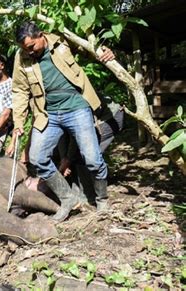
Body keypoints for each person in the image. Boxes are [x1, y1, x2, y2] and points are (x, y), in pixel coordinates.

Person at [11, 21, 116, 222]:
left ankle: (102, 199)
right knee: (37, 157)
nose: (30, 52)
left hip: (77, 108)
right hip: (48, 114)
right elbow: (20, 91)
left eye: (32, 46)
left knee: (93, 159)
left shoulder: (62, 40)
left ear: (41, 35)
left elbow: (90, 47)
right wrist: (18, 123)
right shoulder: (21, 57)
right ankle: (68, 199)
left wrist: (105, 50)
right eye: (25, 49)